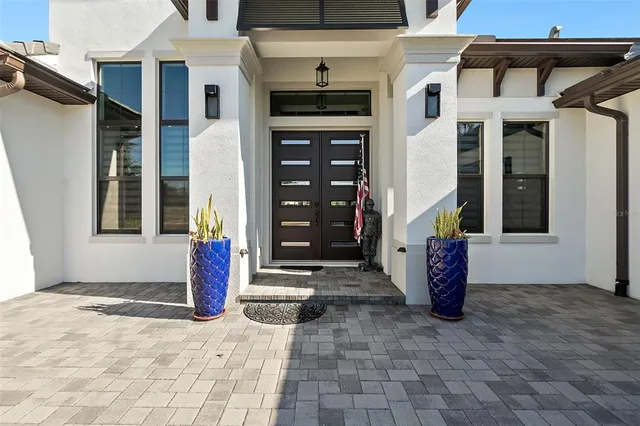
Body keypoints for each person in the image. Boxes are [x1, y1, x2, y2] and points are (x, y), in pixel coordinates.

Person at [359, 198, 382, 271]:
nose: (370, 206)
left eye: (372, 205)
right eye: (369, 205)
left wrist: (379, 233)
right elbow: (361, 225)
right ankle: (366, 261)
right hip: (366, 233)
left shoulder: (377, 214)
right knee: (366, 247)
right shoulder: (363, 214)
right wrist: (361, 233)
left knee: (373, 247)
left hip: (374, 233)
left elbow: (379, 225)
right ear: (366, 205)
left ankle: (372, 260)